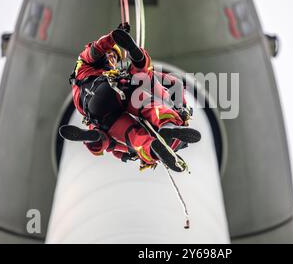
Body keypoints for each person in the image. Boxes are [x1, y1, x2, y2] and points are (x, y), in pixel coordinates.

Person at [60, 23, 201, 172]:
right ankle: (168, 123)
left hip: (100, 114)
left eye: (115, 57)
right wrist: (114, 37)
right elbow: (96, 49)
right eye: (110, 54)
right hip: (111, 90)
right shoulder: (86, 65)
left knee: (132, 138)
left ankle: (152, 147)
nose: (112, 59)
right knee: (148, 102)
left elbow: (107, 138)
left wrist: (115, 151)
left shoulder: (83, 82)